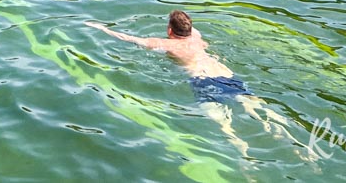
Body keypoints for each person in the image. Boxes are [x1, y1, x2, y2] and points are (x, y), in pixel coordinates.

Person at [86, 11, 295, 158]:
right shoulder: (197, 37)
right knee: (256, 107)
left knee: (225, 126)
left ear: (169, 30)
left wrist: (101, 28)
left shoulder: (166, 44)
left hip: (202, 81)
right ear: (190, 28)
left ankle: (245, 154)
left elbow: (127, 38)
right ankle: (288, 136)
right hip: (224, 73)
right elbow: (190, 28)